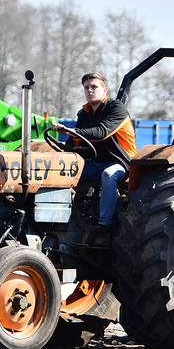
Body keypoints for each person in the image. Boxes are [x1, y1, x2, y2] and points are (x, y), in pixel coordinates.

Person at [52, 73, 137, 240]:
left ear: (104, 90)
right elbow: (75, 141)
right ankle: (65, 217)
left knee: (108, 175)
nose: (89, 90)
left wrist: (72, 130)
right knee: (64, 174)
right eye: (86, 87)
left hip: (121, 162)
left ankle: (104, 223)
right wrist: (60, 149)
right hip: (95, 161)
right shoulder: (84, 113)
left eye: (94, 87)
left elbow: (102, 132)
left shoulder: (115, 108)